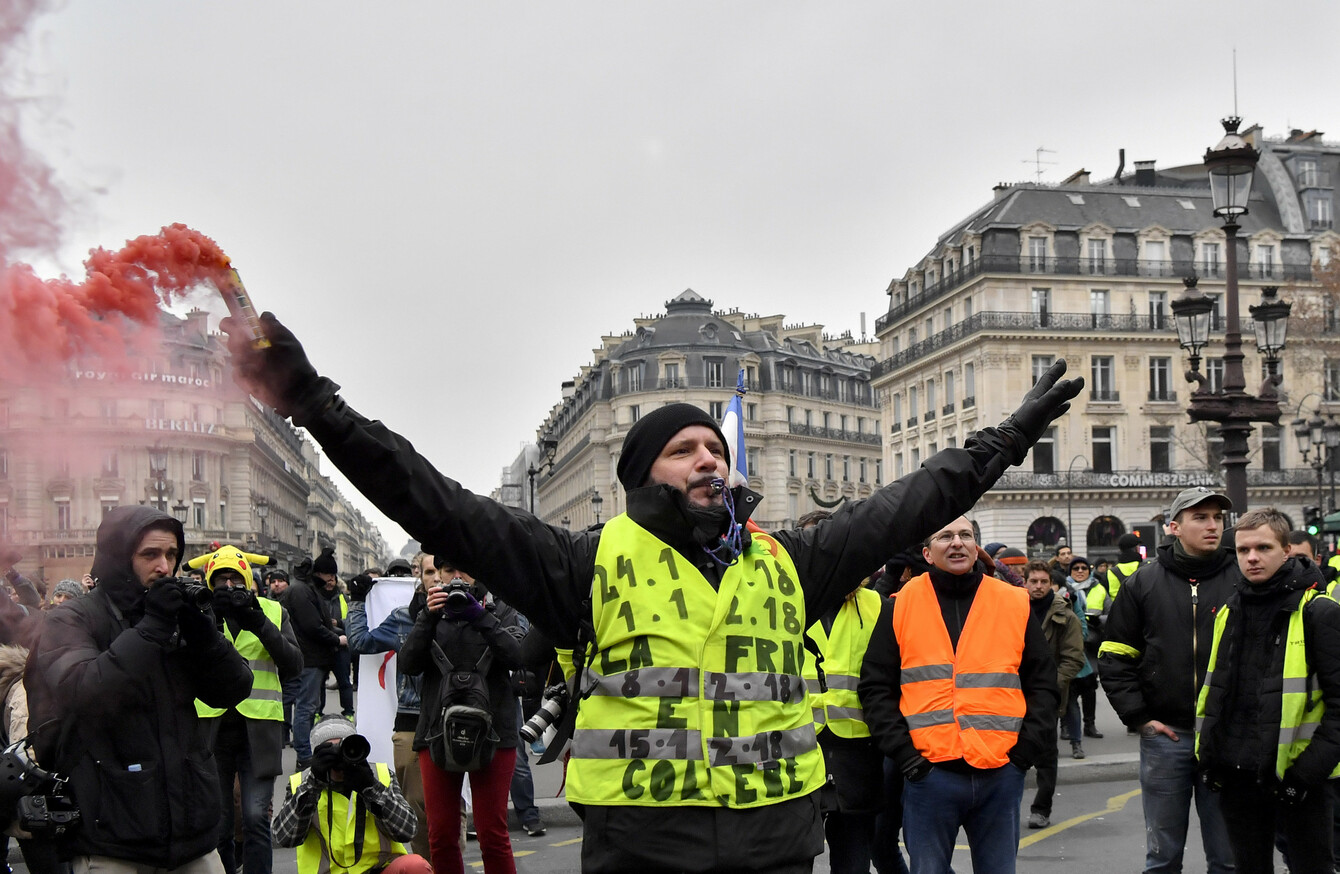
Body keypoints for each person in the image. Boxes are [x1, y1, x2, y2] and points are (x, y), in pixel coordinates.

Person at [222, 313, 1081, 874]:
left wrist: (1005, 438)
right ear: (641, 476)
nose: (711, 458)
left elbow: (915, 501)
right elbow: (430, 496)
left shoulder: (791, 560)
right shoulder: (581, 564)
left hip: (779, 843)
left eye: (717, 447)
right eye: (685, 450)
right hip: (642, 851)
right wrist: (315, 404)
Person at [25, 505, 253, 873]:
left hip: (192, 834)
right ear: (119, 557)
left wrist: (205, 636)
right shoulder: (72, 618)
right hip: (112, 839)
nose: (164, 567)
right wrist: (152, 628)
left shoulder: (175, 614)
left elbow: (233, 689)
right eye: (150, 554)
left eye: (172, 555)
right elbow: (83, 693)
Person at [858, 516, 1059, 874]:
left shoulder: (1014, 602)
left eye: (966, 535)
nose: (957, 542)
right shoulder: (899, 605)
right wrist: (908, 759)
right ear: (927, 553)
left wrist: (1023, 756)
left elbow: (1043, 684)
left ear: (975, 547)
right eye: (945, 536)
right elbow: (876, 688)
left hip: (1000, 773)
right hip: (930, 774)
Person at [1097, 486, 1238, 874]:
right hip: (1167, 737)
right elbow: (1114, 656)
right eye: (1201, 518)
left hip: (1224, 738)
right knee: (1162, 857)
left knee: (1228, 859)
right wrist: (1139, 718)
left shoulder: (1241, 578)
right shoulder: (1143, 583)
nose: (1213, 526)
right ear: (1174, 527)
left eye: (1218, 518)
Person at [1196, 507, 1340, 874]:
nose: (1252, 558)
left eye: (1263, 548)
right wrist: (1212, 757)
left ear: (1287, 550)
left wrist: (1305, 775)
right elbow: (1217, 692)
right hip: (1238, 773)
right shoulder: (1230, 610)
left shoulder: (1318, 612)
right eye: (1243, 550)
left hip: (1298, 777)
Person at [398, 561, 528, 874]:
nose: (457, 578)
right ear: (437, 575)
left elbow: (518, 656)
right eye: (448, 570)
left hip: (494, 731)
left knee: (492, 834)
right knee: (440, 834)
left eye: (466, 569)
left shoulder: (501, 607)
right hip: (436, 732)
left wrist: (480, 616)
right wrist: (428, 618)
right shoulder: (426, 610)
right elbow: (408, 664)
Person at [192, 545, 304, 874]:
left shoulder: (271, 610)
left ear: (249, 580)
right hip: (212, 729)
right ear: (209, 582)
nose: (228, 586)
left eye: (235, 578)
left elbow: (294, 664)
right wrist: (208, 621)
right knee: (221, 823)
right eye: (220, 579)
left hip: (260, 731)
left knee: (256, 820)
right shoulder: (199, 612)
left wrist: (257, 621)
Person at [345, 558, 431, 861]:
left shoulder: (466, 611)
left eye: (441, 571)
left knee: (449, 808)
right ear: (419, 576)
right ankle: (427, 865)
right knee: (416, 804)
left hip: (451, 720)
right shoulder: (403, 618)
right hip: (410, 720)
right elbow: (360, 642)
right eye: (428, 572)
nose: (435, 578)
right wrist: (356, 601)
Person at [272, 716, 429, 874]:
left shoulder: (379, 775)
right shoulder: (302, 783)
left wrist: (370, 787)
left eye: (343, 747)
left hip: (377, 869)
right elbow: (285, 837)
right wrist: (313, 785)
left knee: (415, 866)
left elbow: (408, 830)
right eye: (329, 750)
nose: (338, 756)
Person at [807, 574, 886, 874]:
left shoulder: (877, 606)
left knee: (853, 862)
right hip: (796, 750)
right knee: (792, 859)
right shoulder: (785, 601)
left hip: (857, 756)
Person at [1022, 560, 1084, 828]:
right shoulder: (1014, 609)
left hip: (1047, 696)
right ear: (1024, 582)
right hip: (1013, 694)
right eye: (1033, 581)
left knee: (1046, 755)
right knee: (1010, 755)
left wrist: (1049, 687)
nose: (1038, 586)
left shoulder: (1065, 616)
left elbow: (1073, 658)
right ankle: (1006, 808)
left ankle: (1041, 809)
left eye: (1043, 582)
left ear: (1052, 584)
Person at [286, 551, 345, 769]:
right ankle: (304, 755)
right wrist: (336, 639)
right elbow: (312, 626)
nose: (330, 581)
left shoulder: (305, 588)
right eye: (328, 575)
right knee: (306, 707)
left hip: (311, 655)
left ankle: (305, 750)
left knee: (308, 706)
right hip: (309, 656)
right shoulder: (302, 591)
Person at [1060, 557, 1101, 744]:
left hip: (1092, 645)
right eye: (1075, 568)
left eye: (1084, 567)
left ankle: (1089, 724)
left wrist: (1098, 620)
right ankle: (1066, 726)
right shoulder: (1065, 591)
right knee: (1069, 691)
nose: (1080, 570)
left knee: (1089, 689)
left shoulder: (1098, 587)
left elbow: (1110, 611)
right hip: (1072, 647)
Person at [314, 551, 355, 721]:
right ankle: (318, 712)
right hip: (320, 645)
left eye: (333, 576)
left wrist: (338, 623)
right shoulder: (313, 597)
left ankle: (349, 712)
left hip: (341, 647)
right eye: (327, 577)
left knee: (344, 681)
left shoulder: (344, 598)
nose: (330, 581)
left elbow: (352, 621)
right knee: (319, 682)